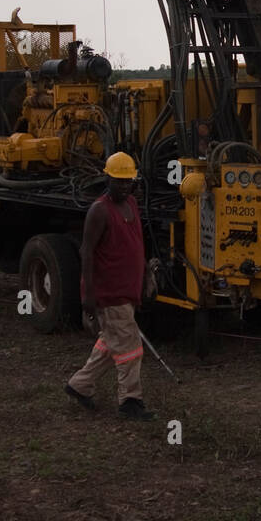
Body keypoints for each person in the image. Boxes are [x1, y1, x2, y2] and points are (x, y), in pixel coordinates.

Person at [65, 152, 156, 419]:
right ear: (107, 178)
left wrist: (143, 279)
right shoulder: (99, 211)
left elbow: (136, 244)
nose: (124, 186)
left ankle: (79, 385)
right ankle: (130, 401)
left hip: (126, 291)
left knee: (110, 342)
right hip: (110, 293)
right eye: (118, 181)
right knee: (130, 348)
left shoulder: (131, 204)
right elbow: (87, 252)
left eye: (128, 181)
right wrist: (89, 293)